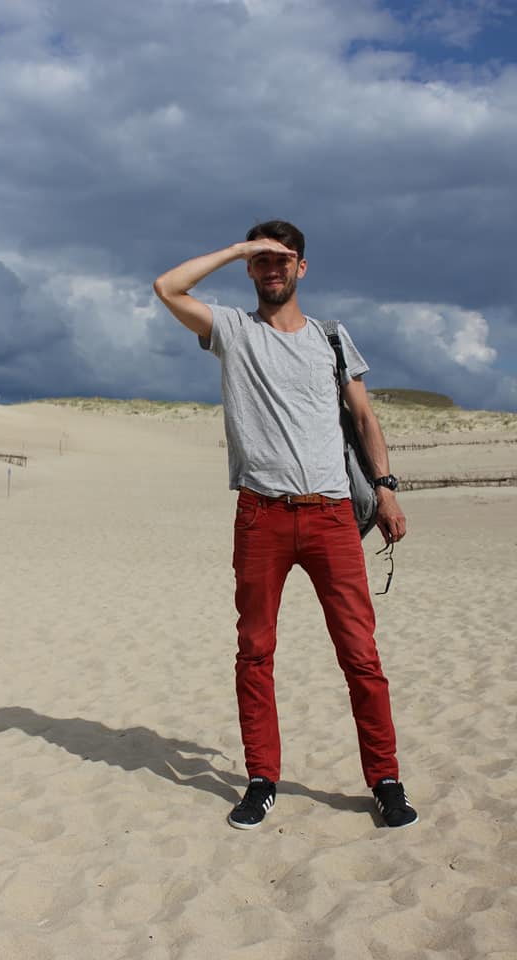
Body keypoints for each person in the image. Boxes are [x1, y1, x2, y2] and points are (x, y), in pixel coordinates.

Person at [153, 220, 417, 830]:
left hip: (331, 515)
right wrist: (237, 248)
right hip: (260, 514)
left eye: (283, 259)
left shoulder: (331, 337)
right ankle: (261, 779)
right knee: (255, 652)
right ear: (250, 268)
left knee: (360, 654)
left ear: (302, 267)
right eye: (261, 260)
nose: (272, 269)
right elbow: (167, 287)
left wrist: (386, 490)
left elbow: (364, 416)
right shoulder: (233, 330)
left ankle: (385, 780)